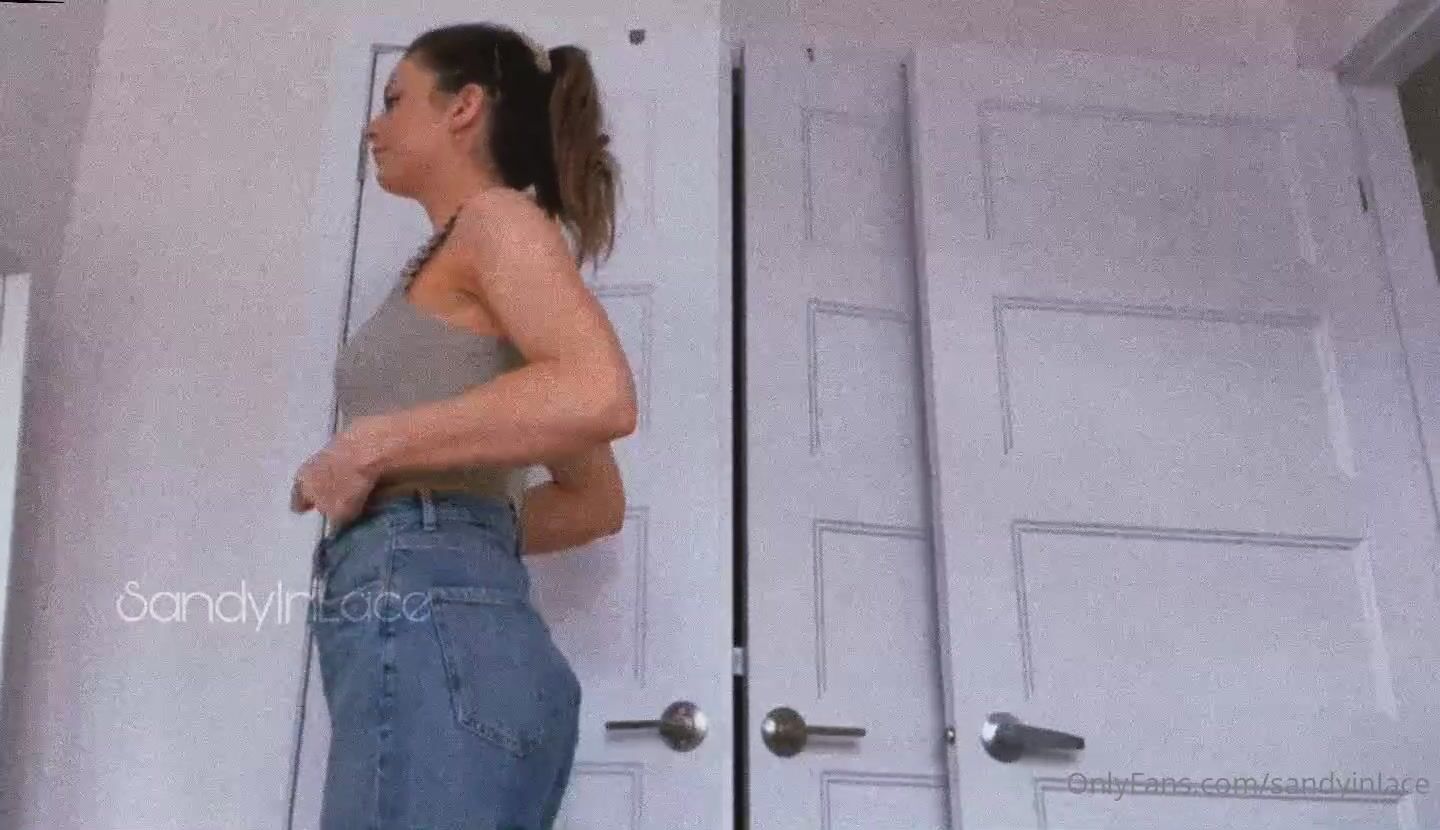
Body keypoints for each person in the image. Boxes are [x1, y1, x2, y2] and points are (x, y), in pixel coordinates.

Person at [286, 21, 636, 830]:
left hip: (434, 625)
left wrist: (374, 449)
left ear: (463, 107)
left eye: (394, 99)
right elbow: (593, 501)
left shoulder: (497, 222)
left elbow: (598, 391)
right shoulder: (462, 251)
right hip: (464, 632)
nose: (374, 125)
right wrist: (453, 521)